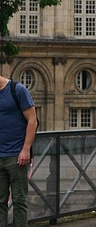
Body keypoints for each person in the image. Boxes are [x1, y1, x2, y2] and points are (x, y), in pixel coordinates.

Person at [0, 72, 37, 227]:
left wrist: (25, 150)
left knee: (19, 201)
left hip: (17, 155)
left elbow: (32, 120)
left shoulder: (17, 90)